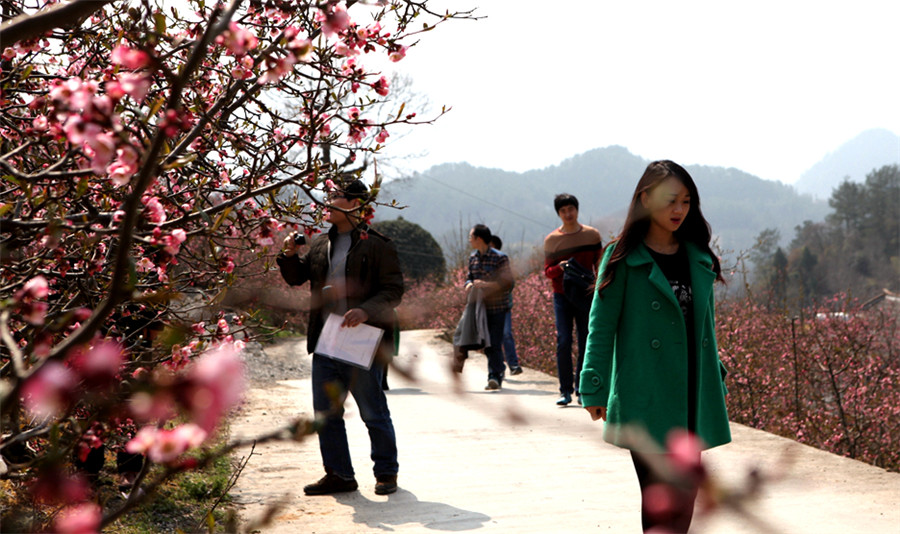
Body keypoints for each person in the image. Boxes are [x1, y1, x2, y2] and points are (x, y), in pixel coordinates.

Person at [580, 160, 731, 532]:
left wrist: (718, 376)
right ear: (645, 199)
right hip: (644, 392)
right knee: (660, 495)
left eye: (686, 201)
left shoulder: (698, 255)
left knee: (686, 494)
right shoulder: (622, 258)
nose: (679, 210)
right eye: (670, 200)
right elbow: (601, 326)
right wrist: (593, 385)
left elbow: (706, 327)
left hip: (691, 393)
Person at [277, 179, 404, 496]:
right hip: (326, 338)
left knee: (372, 411)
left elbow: (393, 290)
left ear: (355, 204)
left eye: (335, 197)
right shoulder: (321, 244)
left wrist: (365, 310)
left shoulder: (378, 245)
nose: (327, 201)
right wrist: (289, 255)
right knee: (326, 413)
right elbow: (296, 277)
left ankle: (386, 472)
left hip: (362, 337)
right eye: (328, 196)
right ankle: (339, 475)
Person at [543, 194, 603, 406]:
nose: (568, 214)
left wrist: (599, 287)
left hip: (586, 294)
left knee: (586, 341)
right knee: (564, 340)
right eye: (563, 211)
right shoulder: (552, 240)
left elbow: (600, 263)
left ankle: (581, 388)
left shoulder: (592, 235)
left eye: (571, 209)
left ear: (577, 210)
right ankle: (565, 390)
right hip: (562, 295)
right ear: (558, 214)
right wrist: (559, 267)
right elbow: (547, 271)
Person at [464, 224, 515, 390]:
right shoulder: (473, 258)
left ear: (479, 239)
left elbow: (508, 283)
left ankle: (494, 375)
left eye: (471, 237)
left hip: (498, 307)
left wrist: (487, 285)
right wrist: (469, 284)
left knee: (494, 341)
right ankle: (498, 369)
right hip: (479, 308)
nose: (469, 240)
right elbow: (469, 278)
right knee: (484, 343)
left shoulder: (500, 258)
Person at [488, 235, 523, 375]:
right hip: (487, 308)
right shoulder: (481, 263)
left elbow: (510, 283)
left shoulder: (502, 263)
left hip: (503, 306)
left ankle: (513, 364)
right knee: (491, 339)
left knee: (506, 334)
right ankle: (498, 367)